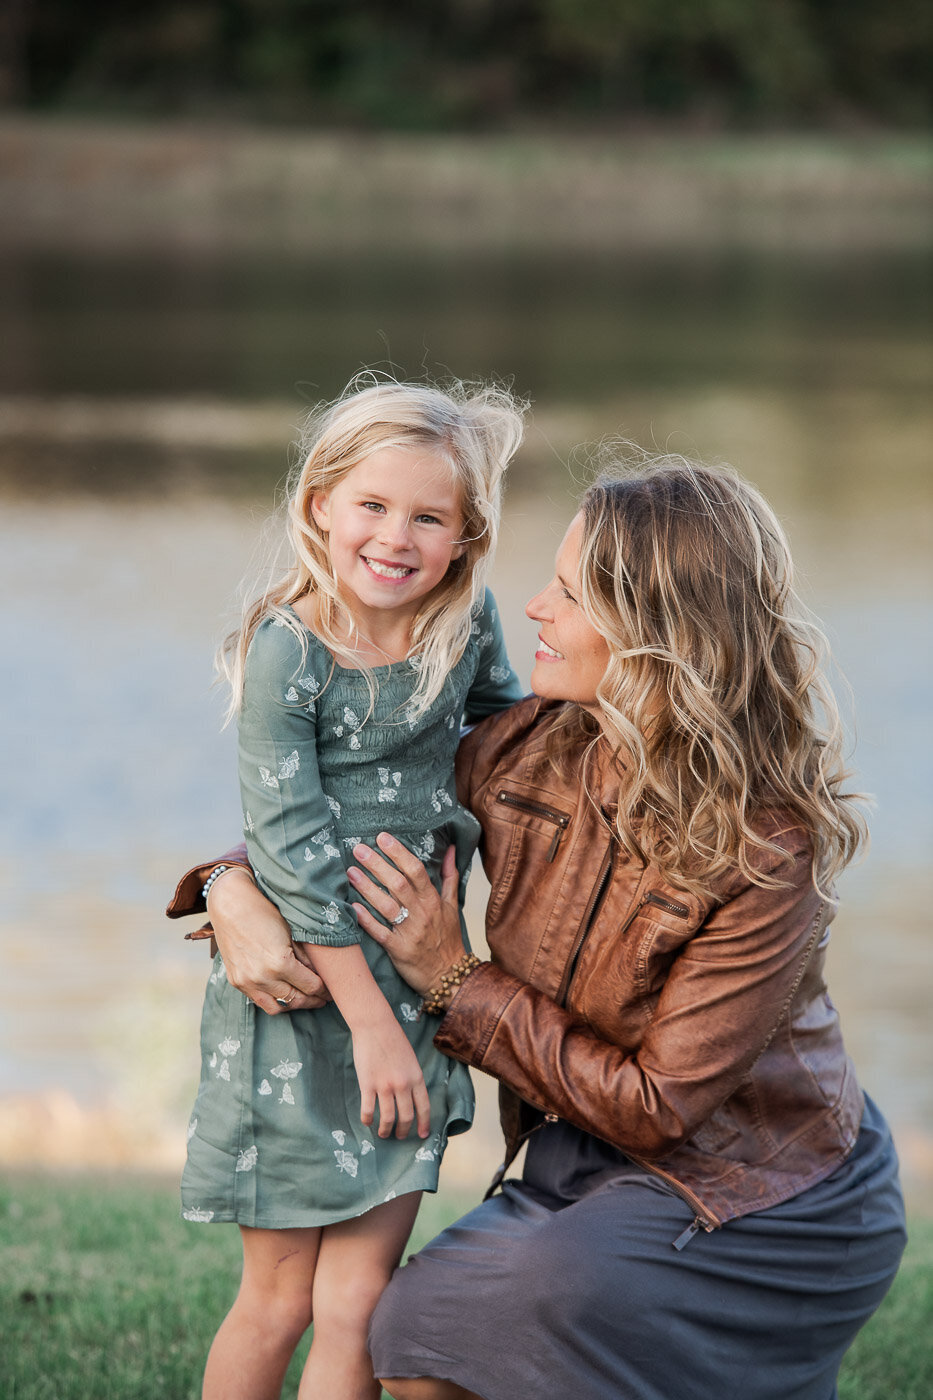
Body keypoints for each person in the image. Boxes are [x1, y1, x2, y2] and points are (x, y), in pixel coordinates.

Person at [171, 454, 907, 1400]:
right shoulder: (527, 752)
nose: (533, 608)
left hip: (762, 1189)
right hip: (583, 1160)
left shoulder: (765, 846)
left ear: (655, 632)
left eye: (568, 591)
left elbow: (655, 1107)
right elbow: (341, 814)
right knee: (419, 1329)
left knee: (478, 1315)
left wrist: (452, 978)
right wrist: (225, 884)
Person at [176, 375, 526, 1400]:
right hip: (304, 997)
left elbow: (515, 743)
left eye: (429, 516)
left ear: (464, 538)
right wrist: (371, 1020)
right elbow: (288, 846)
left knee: (359, 1300)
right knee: (280, 1297)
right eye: (372, 504)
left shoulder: (464, 629)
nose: (395, 536)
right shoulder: (288, 648)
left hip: (413, 983)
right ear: (319, 501)